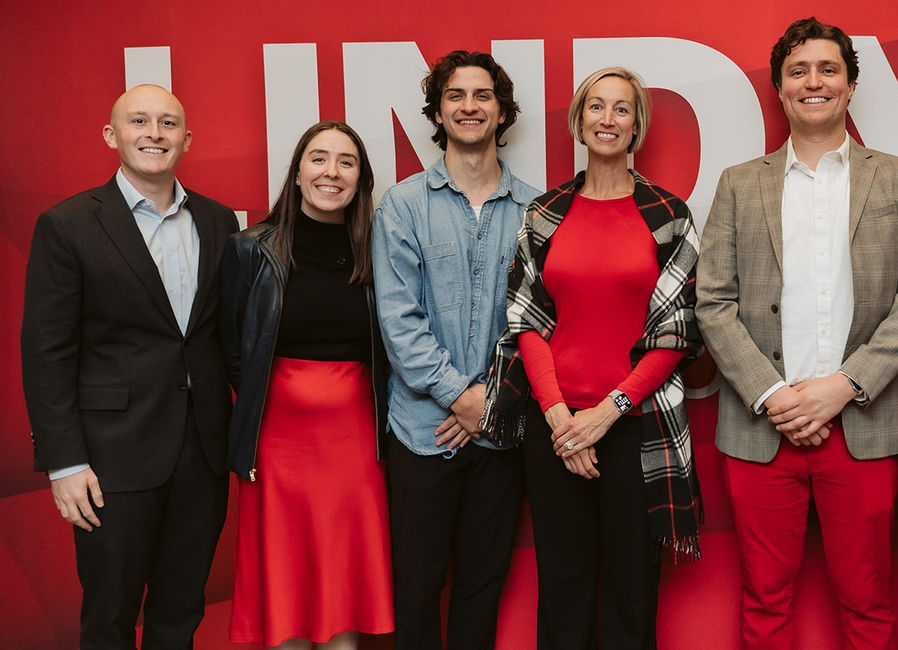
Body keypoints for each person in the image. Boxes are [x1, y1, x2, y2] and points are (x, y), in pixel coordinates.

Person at [696, 17, 898, 649]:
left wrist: (845, 386)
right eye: (798, 71)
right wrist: (772, 395)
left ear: (851, 85)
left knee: (867, 603)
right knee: (764, 602)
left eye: (828, 69)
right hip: (760, 427)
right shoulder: (738, 182)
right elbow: (713, 302)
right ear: (779, 89)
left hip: (860, 424)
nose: (814, 82)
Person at [481, 66, 702, 649]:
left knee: (632, 593)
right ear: (579, 122)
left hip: (634, 427)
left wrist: (605, 414)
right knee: (564, 585)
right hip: (553, 429)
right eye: (596, 107)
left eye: (621, 109)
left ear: (637, 126)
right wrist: (558, 418)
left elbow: (676, 333)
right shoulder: (545, 213)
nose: (608, 119)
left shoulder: (668, 215)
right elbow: (525, 319)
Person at [21, 83, 238, 649]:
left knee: (180, 611)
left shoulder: (219, 223)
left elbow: (224, 338)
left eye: (167, 124)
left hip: (202, 454)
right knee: (109, 618)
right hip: (109, 459)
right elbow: (47, 352)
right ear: (111, 135)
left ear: (186, 140)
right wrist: (63, 462)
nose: (154, 133)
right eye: (139, 121)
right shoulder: (67, 225)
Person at [371, 50, 537, 650]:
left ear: (501, 111)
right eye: (456, 96)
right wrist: (459, 396)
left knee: (482, 584)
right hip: (421, 429)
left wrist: (490, 403)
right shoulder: (403, 205)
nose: (470, 107)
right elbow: (399, 321)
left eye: (483, 96)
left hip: (503, 433)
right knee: (415, 588)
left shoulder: (536, 211)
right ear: (438, 110)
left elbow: (537, 324)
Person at [221, 121, 393, 649]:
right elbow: (232, 347)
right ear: (297, 173)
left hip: (355, 445)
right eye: (318, 159)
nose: (331, 172)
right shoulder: (250, 249)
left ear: (361, 178)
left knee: (342, 583)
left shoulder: (382, 250)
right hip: (276, 446)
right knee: (285, 583)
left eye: (346, 161)